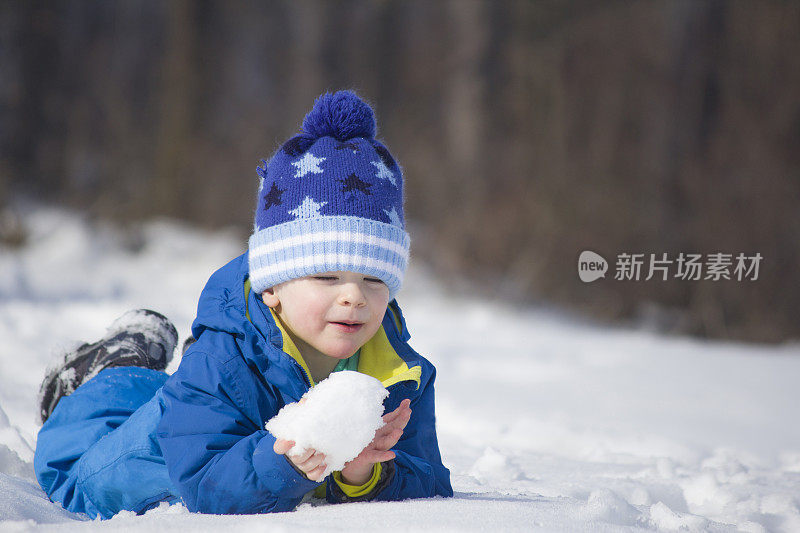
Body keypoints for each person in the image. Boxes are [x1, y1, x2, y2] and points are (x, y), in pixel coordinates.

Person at [33, 90, 453, 519]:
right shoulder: (227, 361)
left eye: (375, 279)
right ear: (272, 287)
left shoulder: (400, 374)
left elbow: (432, 480)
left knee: (179, 398)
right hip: (147, 456)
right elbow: (202, 483)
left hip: (198, 414)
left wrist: (365, 473)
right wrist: (284, 460)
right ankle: (101, 371)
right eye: (326, 277)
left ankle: (142, 369)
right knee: (80, 475)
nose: (354, 296)